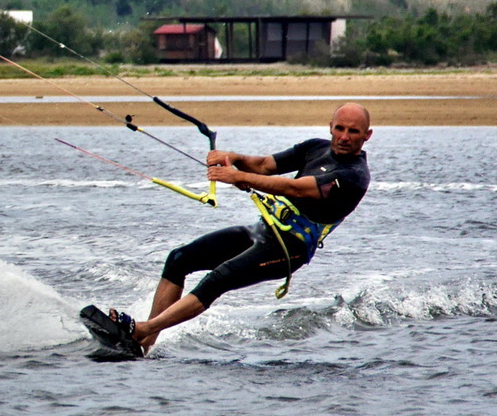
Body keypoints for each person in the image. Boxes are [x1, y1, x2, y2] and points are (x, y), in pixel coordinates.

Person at [108, 102, 372, 353]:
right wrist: (232, 158)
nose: (344, 136)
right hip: (264, 231)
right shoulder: (316, 147)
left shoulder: (354, 176)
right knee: (179, 258)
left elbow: (294, 188)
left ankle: (143, 329)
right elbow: (263, 165)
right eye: (340, 128)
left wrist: (238, 177)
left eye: (353, 131)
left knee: (219, 278)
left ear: (367, 136)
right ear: (330, 126)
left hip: (290, 248)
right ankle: (143, 344)